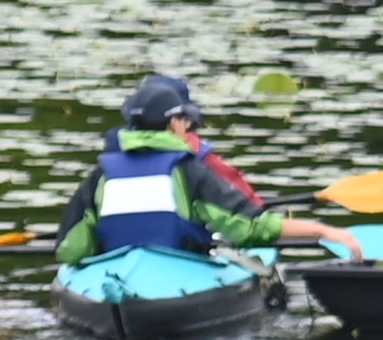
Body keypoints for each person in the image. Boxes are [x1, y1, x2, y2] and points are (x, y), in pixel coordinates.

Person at [55, 71, 279, 275]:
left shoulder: (107, 166)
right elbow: (252, 214)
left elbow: (68, 249)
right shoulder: (195, 163)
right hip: (181, 261)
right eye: (185, 120)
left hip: (117, 264)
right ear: (175, 122)